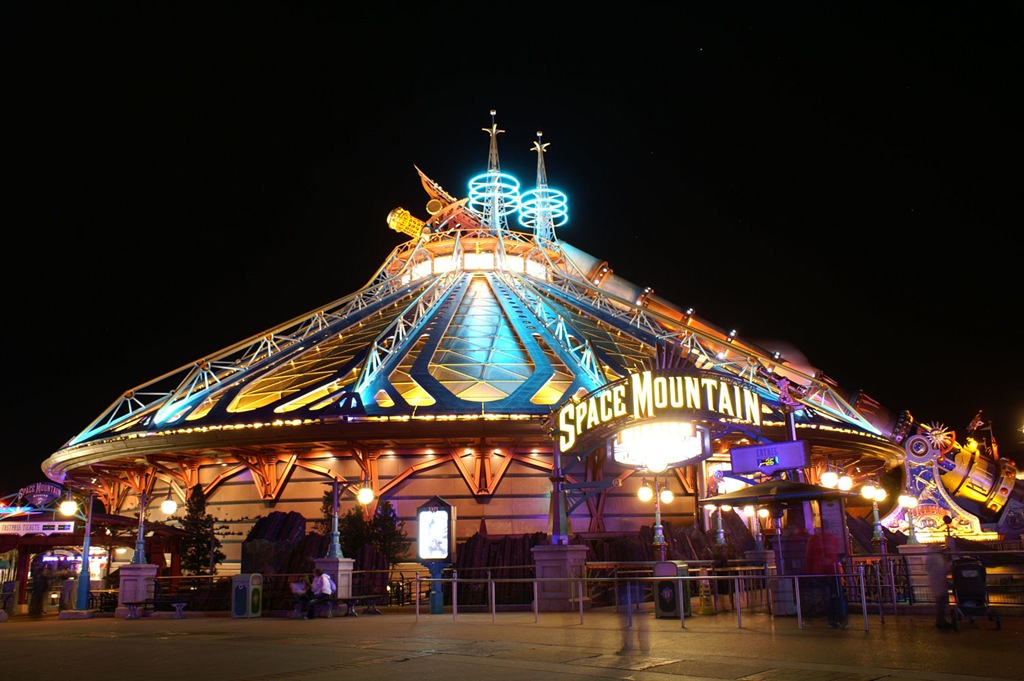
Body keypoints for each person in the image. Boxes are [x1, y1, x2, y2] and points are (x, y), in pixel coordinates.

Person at [804, 526, 847, 628]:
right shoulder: (833, 538)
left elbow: (809, 557)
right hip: (833, 570)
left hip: (819, 572)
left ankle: (831, 619)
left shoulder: (814, 540)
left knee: (825, 597)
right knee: (837, 594)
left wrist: (809, 573)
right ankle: (841, 618)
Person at [926, 547, 952, 628]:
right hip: (940, 582)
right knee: (941, 603)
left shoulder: (930, 558)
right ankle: (941, 621)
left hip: (935, 582)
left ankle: (940, 620)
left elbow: (927, 569)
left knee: (939, 602)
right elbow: (945, 569)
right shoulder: (938, 559)